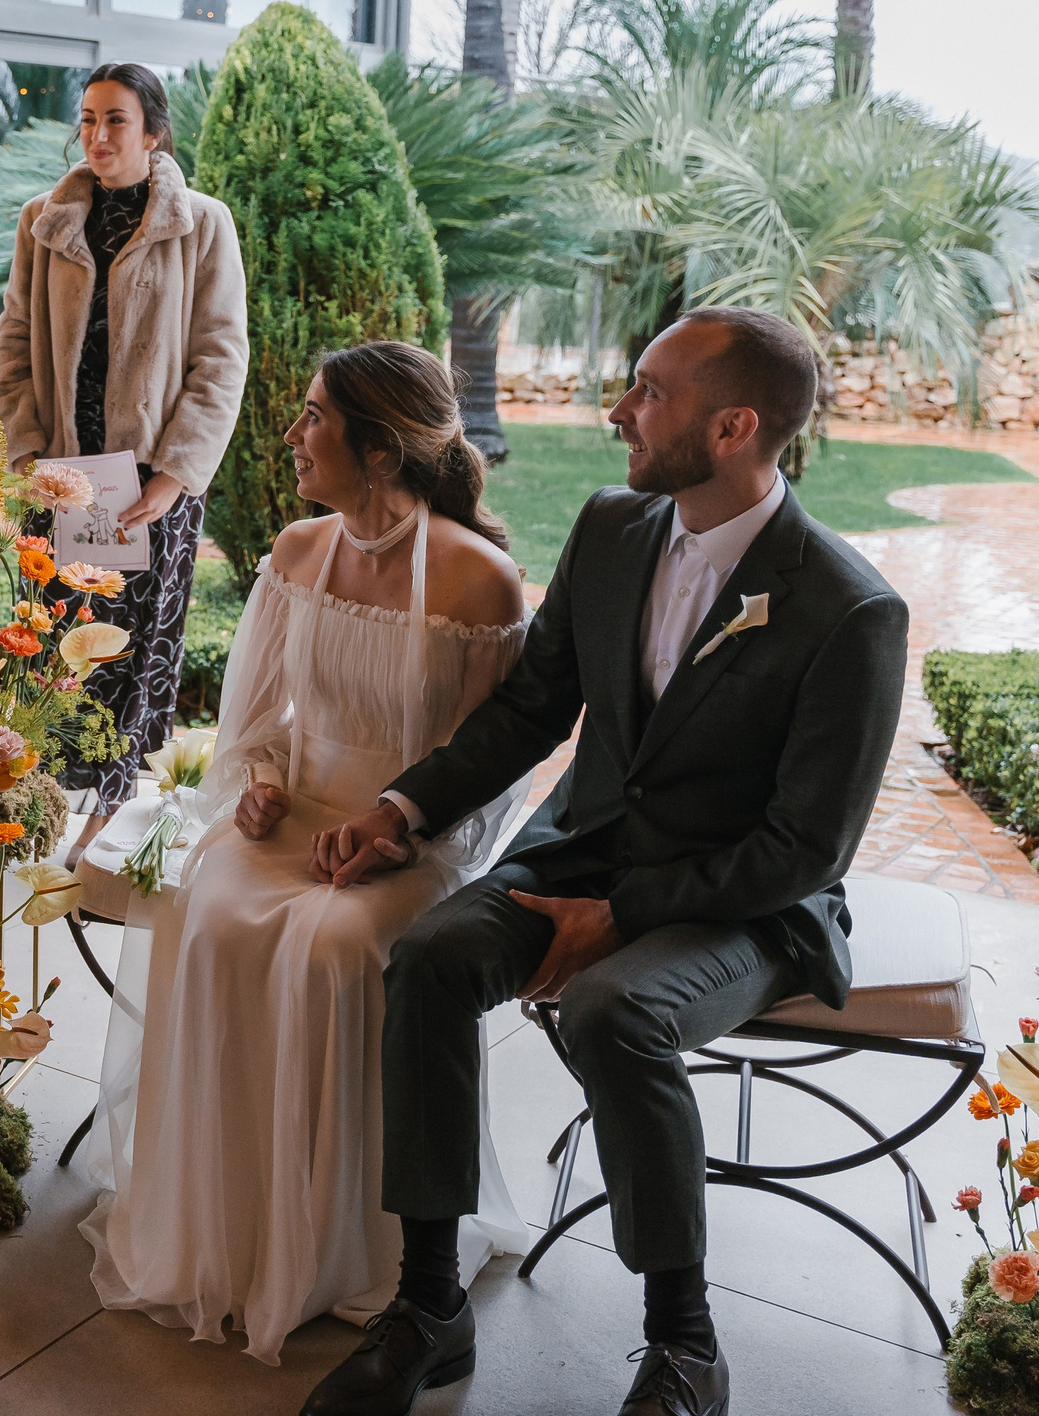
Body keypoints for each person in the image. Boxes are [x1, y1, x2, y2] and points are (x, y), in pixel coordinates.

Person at [301, 307, 910, 1416]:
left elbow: (803, 848)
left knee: (612, 1014)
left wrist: (623, 915)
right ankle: (428, 1305)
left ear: (732, 428)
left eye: (648, 391)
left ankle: (684, 1342)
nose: (617, 410)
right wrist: (403, 805)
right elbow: (534, 708)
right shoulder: (613, 528)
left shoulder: (849, 607)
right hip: (584, 857)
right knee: (430, 957)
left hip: (747, 908)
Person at [79, 341, 535, 1367]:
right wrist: (257, 791)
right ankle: (223, 1224)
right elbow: (252, 729)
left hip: (411, 844)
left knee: (331, 948)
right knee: (214, 914)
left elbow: (491, 776)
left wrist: (400, 831)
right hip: (289, 821)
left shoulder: (481, 583)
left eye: (314, 417)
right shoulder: (296, 552)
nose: (291, 435)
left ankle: (339, 1246)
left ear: (379, 449)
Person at [0, 64, 247, 847]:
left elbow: (221, 357)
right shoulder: (44, 220)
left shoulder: (202, 224)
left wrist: (175, 475)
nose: (98, 136)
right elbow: (13, 344)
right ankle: (27, 815)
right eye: (89, 119)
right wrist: (30, 454)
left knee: (132, 657)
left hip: (150, 489)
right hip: (63, 482)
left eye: (117, 121)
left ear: (154, 132)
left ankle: (100, 831)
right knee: (47, 646)